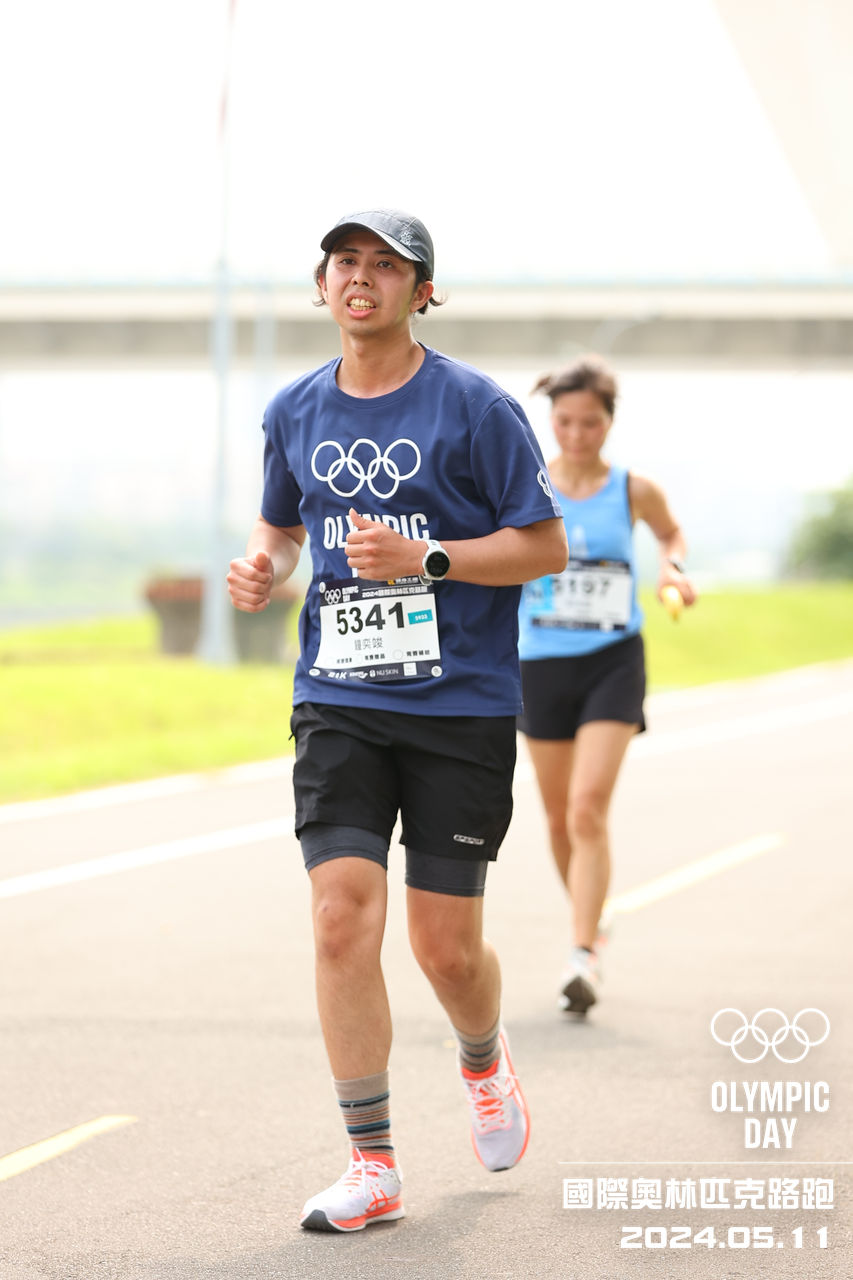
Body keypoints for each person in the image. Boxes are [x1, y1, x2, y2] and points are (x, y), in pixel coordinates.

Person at [227, 209, 568, 1232]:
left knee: (445, 949)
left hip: (459, 701)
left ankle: (483, 1059)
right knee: (340, 917)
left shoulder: (476, 408)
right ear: (321, 284)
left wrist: (428, 558)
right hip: (340, 696)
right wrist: (264, 566)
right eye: (346, 261)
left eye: (386, 264)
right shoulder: (294, 409)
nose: (361, 278)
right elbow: (283, 525)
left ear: (422, 291)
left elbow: (544, 546)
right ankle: (371, 1162)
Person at [517, 357, 697, 1015]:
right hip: (539, 663)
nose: (575, 434)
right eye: (564, 421)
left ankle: (582, 954)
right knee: (557, 819)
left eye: (589, 423)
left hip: (612, 661)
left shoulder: (632, 489)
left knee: (587, 807)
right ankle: (592, 918)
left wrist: (673, 568)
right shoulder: (527, 486)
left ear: (608, 423)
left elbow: (670, 534)